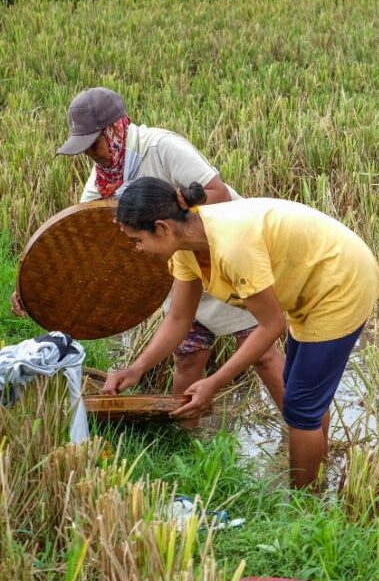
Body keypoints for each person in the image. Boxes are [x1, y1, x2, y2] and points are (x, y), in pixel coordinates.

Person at [11, 87, 285, 412]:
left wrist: (174, 210)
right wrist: (33, 288)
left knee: (263, 355)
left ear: (113, 128)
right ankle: (185, 442)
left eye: (92, 144)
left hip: (224, 255)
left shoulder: (160, 147)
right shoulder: (103, 181)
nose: (90, 154)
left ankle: (299, 426)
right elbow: (82, 245)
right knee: (189, 356)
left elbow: (219, 194)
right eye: (82, 148)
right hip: (179, 268)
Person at [101, 178, 379, 488]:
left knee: (301, 408)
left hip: (340, 282)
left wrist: (214, 382)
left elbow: (271, 325)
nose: (137, 249)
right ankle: (316, 470)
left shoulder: (232, 244)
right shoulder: (186, 248)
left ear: (162, 227)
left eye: (136, 240)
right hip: (310, 285)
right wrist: (135, 369)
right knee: (301, 393)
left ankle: (304, 508)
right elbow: (179, 319)